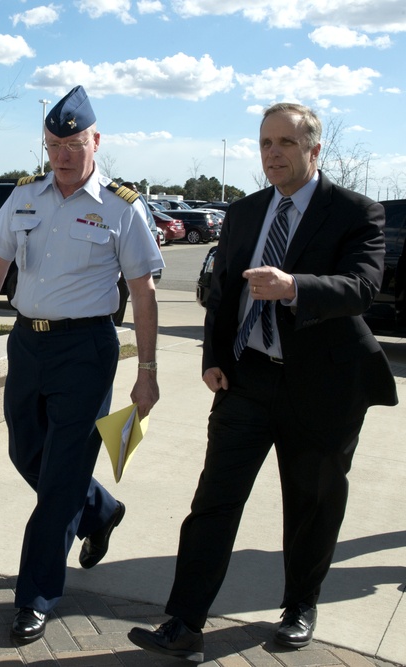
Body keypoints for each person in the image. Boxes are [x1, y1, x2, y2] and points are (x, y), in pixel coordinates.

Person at [128, 103, 398, 661]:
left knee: (312, 504)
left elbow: (362, 288)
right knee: (214, 502)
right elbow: (222, 293)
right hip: (247, 380)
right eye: (265, 143)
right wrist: (213, 357)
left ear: (313, 150)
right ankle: (184, 623)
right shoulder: (247, 212)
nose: (273, 153)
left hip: (324, 387)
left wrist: (295, 285)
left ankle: (300, 606)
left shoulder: (356, 212)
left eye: (285, 143)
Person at [0, 86, 163, 644]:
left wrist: (147, 368)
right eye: (53, 145)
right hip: (28, 344)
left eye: (73, 144)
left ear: (96, 140)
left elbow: (142, 292)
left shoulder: (121, 207)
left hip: (86, 350)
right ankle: (99, 511)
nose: (63, 155)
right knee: (28, 454)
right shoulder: (25, 196)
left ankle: (35, 597)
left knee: (61, 478)